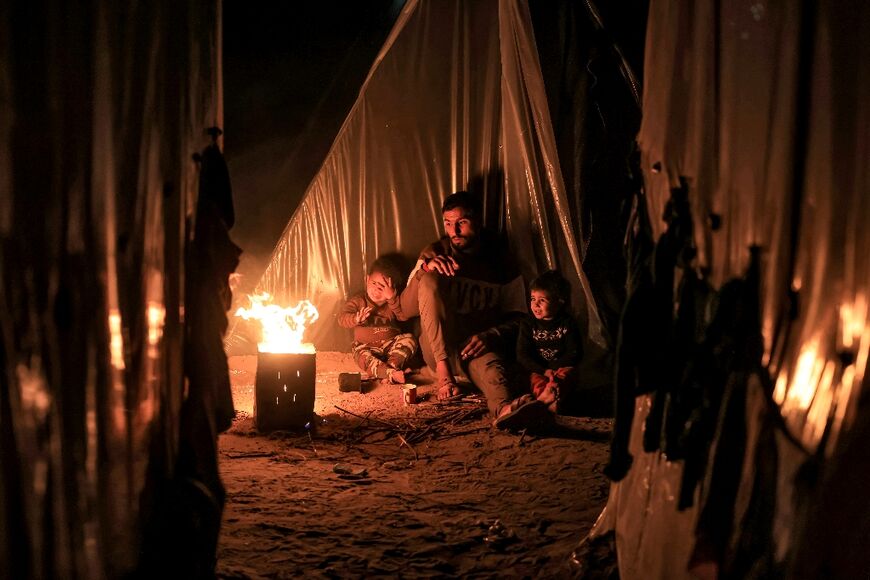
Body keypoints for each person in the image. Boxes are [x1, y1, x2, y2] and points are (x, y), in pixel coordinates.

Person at [399, 190, 537, 427]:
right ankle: (444, 376)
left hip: (472, 347)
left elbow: (520, 317)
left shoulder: (500, 261)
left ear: (478, 221)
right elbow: (404, 310)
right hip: (438, 347)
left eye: (462, 222)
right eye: (448, 223)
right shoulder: (435, 252)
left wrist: (490, 335)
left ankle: (504, 411)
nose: (455, 231)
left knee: (493, 370)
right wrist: (425, 269)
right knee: (430, 280)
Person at [338, 256, 418, 384]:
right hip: (366, 346)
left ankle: (389, 370)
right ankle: (389, 373)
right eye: (374, 283)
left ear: (393, 288)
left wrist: (392, 298)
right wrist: (356, 318)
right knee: (360, 354)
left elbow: (402, 316)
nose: (376, 289)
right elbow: (342, 318)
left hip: (391, 345)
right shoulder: (358, 301)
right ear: (367, 279)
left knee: (410, 339)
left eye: (382, 286)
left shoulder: (393, 303)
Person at [515, 270, 582, 414]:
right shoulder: (527, 324)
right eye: (533, 299)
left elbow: (575, 353)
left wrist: (554, 370)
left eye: (542, 300)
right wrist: (544, 371)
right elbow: (522, 354)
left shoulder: (567, 323)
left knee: (566, 375)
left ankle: (552, 401)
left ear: (559, 302)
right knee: (537, 381)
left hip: (560, 369)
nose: (535, 305)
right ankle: (544, 401)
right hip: (539, 370)